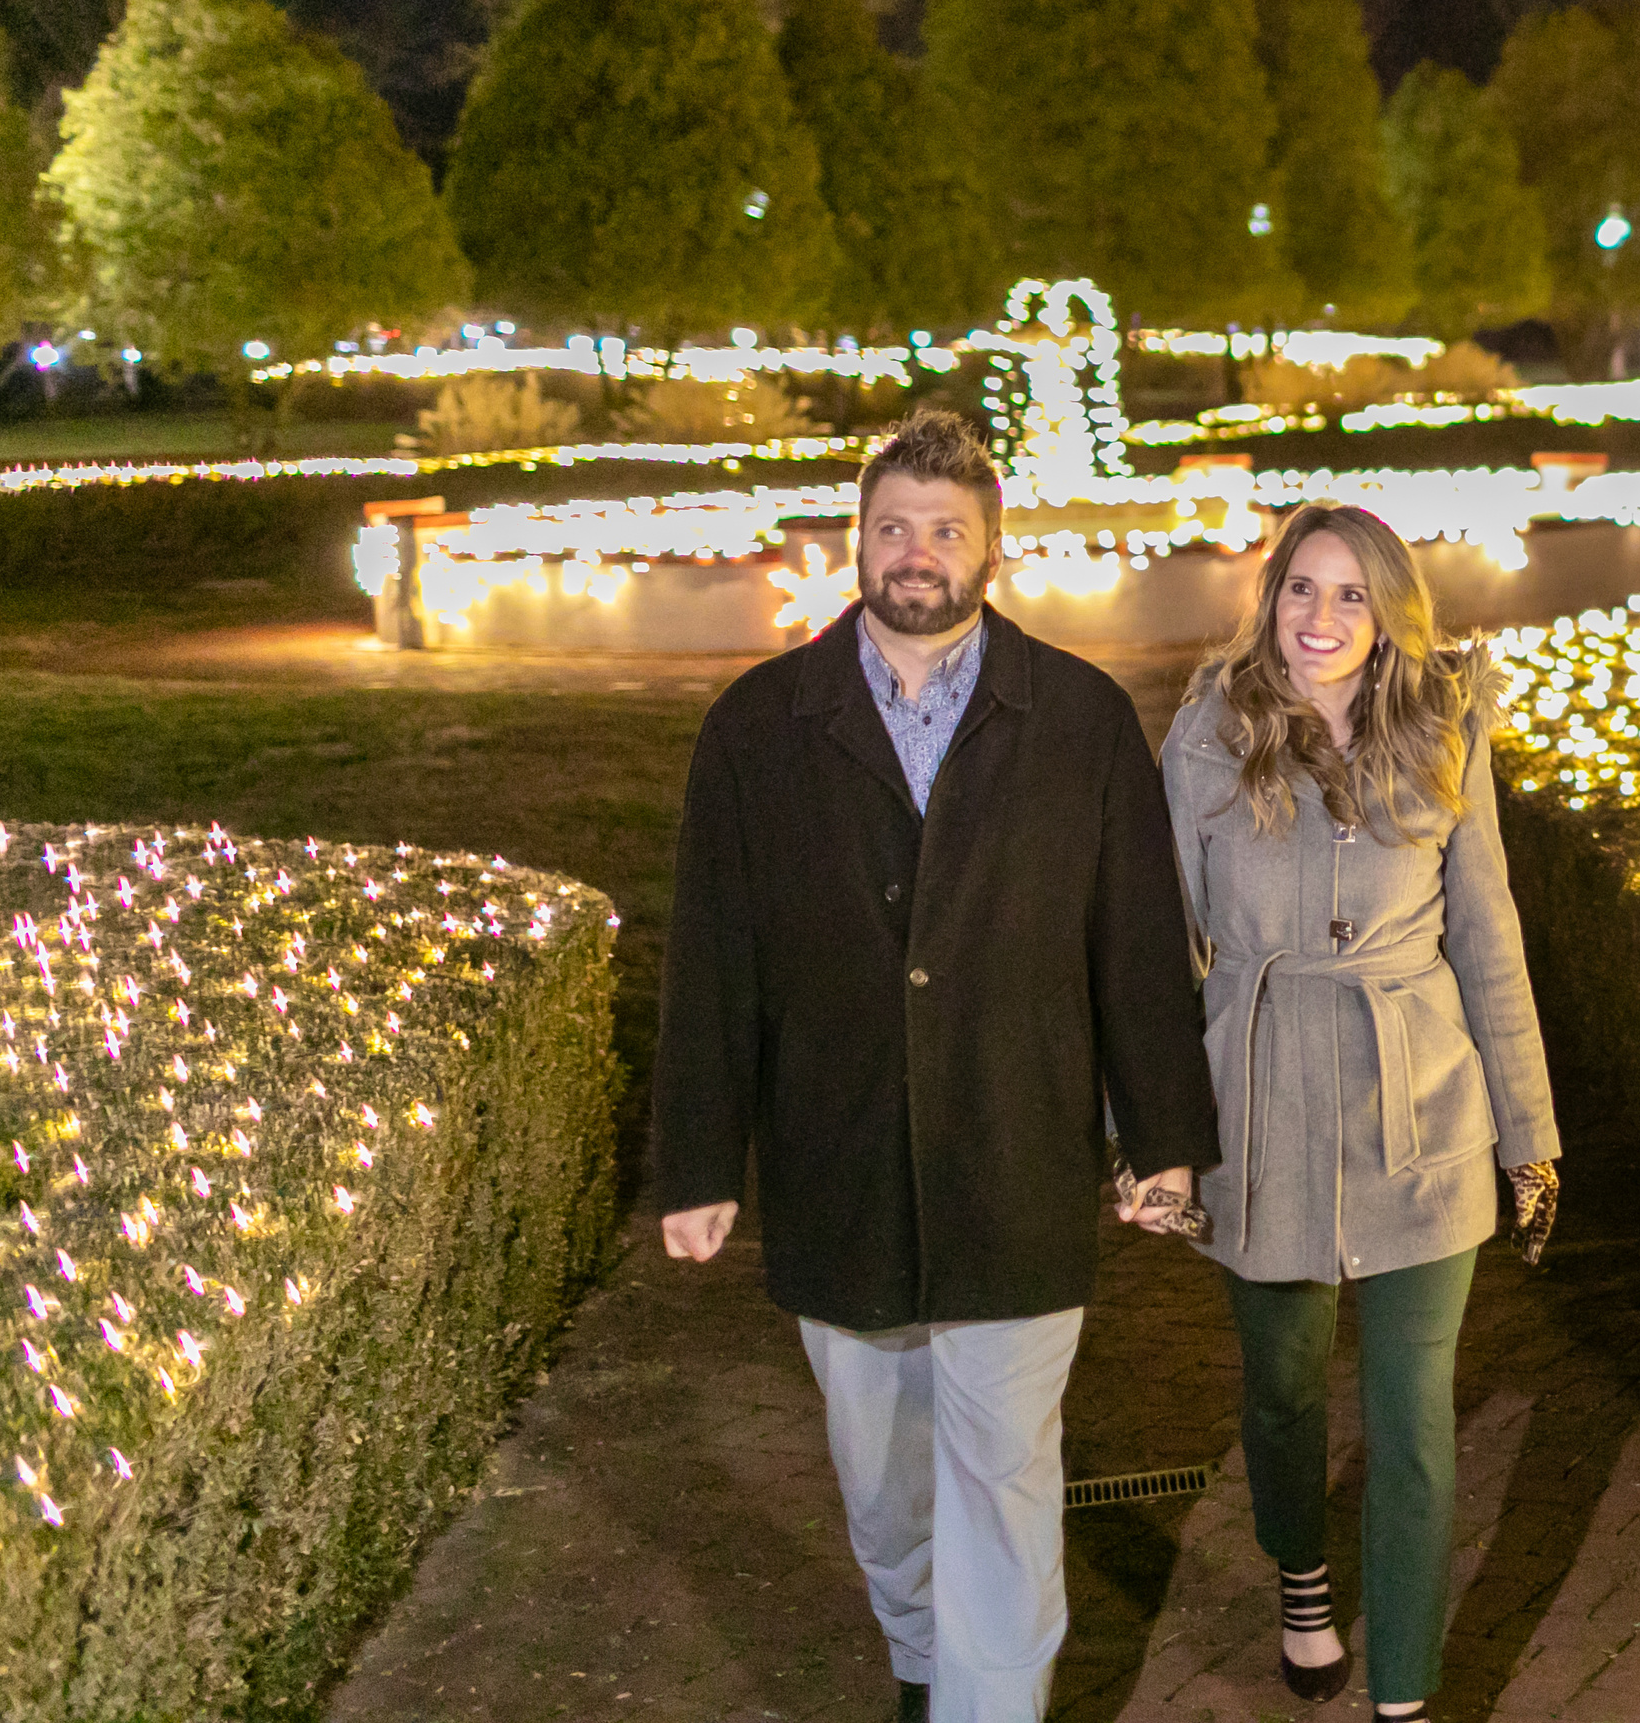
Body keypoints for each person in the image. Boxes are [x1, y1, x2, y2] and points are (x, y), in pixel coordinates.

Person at [652, 408, 1216, 1723]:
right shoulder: (760, 727)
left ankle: (985, 1705)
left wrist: (1163, 1137)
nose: (916, 553)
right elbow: (712, 958)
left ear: (992, 548)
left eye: (944, 530)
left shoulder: (1076, 720)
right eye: (893, 526)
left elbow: (1134, 946)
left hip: (1014, 1164)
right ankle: (923, 1667)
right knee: (886, 1490)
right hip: (834, 1172)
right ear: (858, 539)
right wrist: (697, 1159)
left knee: (1004, 1483)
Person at [1153, 501, 1561, 1719]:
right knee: (1280, 1387)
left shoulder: (1444, 726)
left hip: (1421, 1110)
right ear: (1269, 596)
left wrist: (1527, 1134)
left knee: (1413, 1422)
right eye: (1300, 588)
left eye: (1349, 595)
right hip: (1259, 1113)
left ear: (1387, 616)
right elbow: (1157, 944)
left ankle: (1406, 1699)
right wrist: (1155, 1137)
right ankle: (1301, 1571)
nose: (1320, 617)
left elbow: (1486, 931)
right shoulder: (1204, 736)